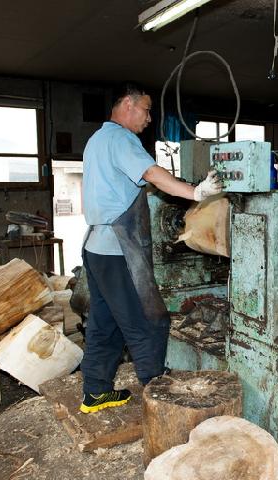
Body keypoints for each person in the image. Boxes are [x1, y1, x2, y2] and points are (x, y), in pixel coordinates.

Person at [79, 82, 222, 414]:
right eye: (146, 109)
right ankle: (159, 392)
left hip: (96, 247)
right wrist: (196, 192)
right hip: (118, 250)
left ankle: (95, 392)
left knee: (105, 322)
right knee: (148, 320)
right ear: (128, 104)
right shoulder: (121, 138)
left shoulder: (97, 139)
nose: (148, 118)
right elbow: (152, 174)